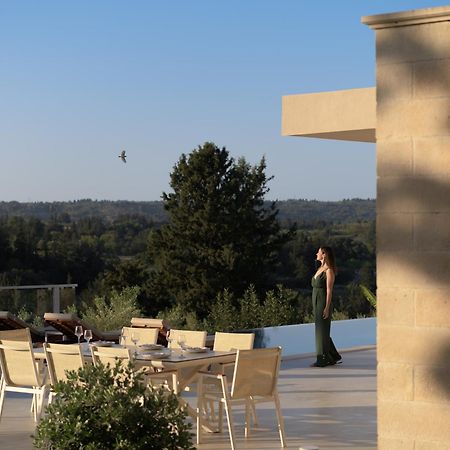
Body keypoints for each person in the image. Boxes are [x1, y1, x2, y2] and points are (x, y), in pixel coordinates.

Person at [310, 246, 342, 367]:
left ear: (324, 254)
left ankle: (322, 359)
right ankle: (333, 356)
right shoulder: (320, 268)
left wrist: (327, 307)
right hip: (316, 301)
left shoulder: (329, 270)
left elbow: (329, 291)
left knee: (321, 331)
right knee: (321, 331)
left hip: (323, 302)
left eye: (318, 252)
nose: (316, 253)